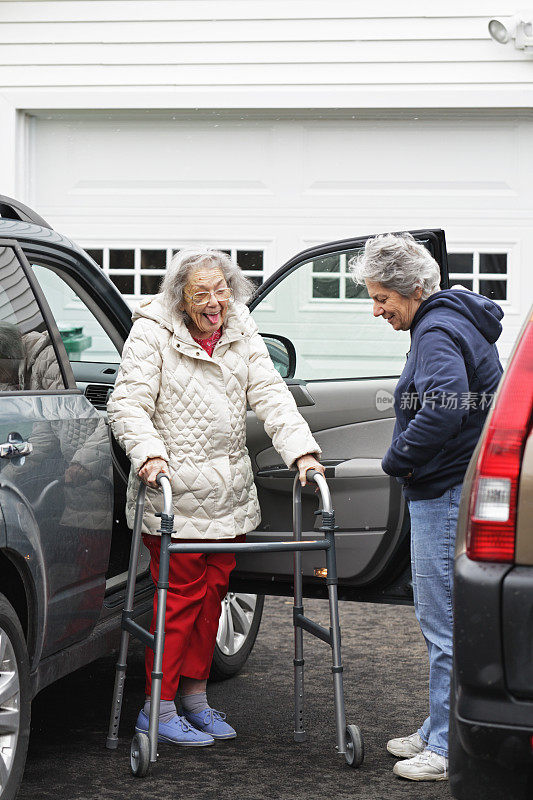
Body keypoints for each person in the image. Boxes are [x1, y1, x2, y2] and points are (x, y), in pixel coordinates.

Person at [108, 248, 323, 747]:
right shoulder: (152, 332)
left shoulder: (240, 329)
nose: (213, 303)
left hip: (229, 500)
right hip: (172, 498)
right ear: (180, 297)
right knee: (177, 603)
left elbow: (271, 394)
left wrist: (302, 454)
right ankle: (155, 708)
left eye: (221, 291)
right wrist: (149, 455)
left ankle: (196, 700)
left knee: (212, 602)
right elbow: (128, 404)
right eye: (201, 293)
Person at [350, 233, 503, 782]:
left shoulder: (436, 330)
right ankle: (438, 724)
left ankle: (445, 748)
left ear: (413, 289)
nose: (377, 310)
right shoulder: (451, 320)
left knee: (443, 625)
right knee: (445, 620)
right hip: (458, 484)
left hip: (443, 489)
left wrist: (398, 460)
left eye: (382, 297)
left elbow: (443, 406)